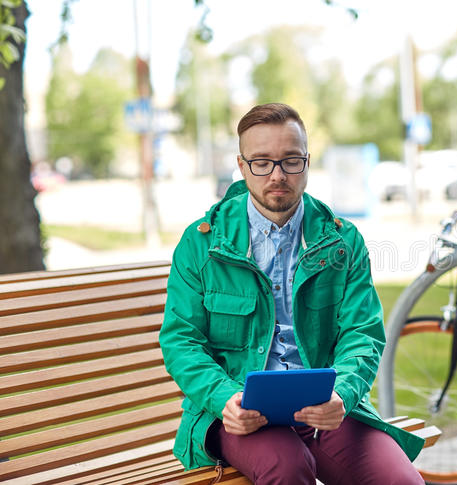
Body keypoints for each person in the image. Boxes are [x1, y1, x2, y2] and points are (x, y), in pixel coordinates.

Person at [159, 103, 425, 485]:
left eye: (291, 161)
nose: (278, 175)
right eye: (262, 162)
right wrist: (223, 400)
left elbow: (362, 334)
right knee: (287, 466)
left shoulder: (342, 241)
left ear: (307, 162)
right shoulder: (202, 243)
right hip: (240, 414)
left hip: (327, 408)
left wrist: (343, 394)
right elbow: (181, 341)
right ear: (241, 165)